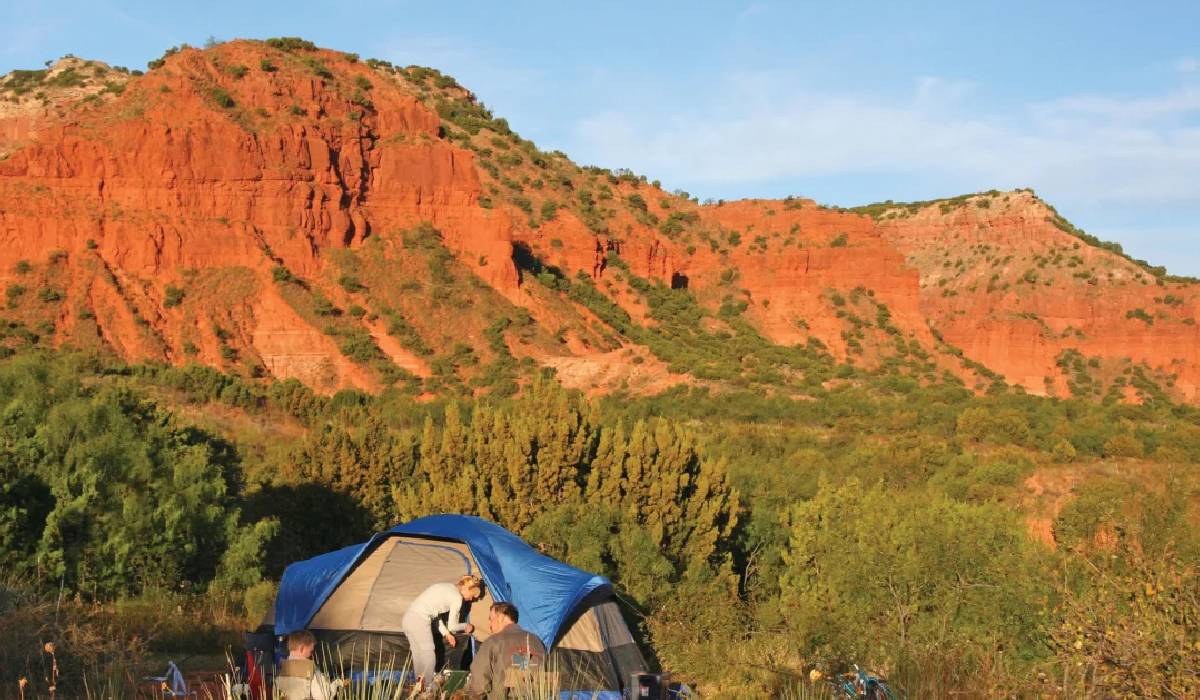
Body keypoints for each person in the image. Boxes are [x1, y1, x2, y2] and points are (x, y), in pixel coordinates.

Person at [403, 575, 485, 688]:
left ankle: (418, 687)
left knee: (418, 655)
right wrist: (466, 625)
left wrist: (446, 634)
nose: (471, 599)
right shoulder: (457, 597)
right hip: (420, 620)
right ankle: (427, 688)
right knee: (429, 655)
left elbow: (434, 615)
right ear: (467, 588)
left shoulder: (447, 588)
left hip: (408, 619)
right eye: (472, 595)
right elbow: (452, 626)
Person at [466, 602, 547, 700]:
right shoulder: (536, 641)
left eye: (491, 619)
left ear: (501, 617)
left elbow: (479, 685)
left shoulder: (492, 642)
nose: (489, 625)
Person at [275, 630, 341, 700]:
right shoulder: (310, 668)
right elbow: (323, 696)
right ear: (302, 648)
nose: (311, 654)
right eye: (310, 651)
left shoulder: (280, 669)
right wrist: (335, 684)